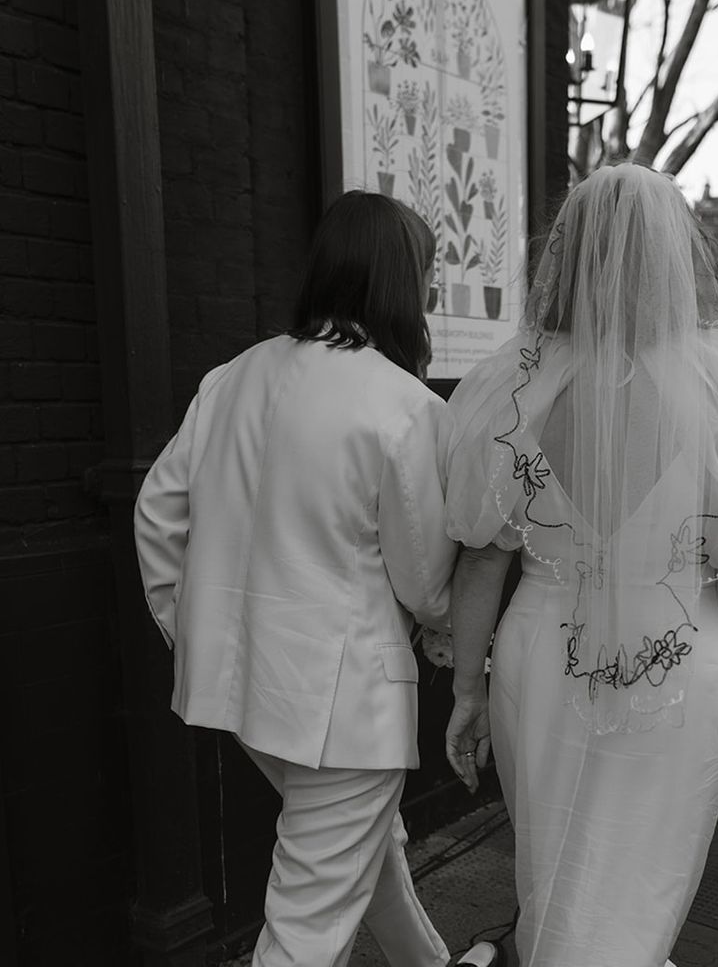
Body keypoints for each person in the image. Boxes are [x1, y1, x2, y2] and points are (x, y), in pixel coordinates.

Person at [441, 164, 718, 967]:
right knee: (638, 882)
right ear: (676, 259)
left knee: (554, 870)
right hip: (677, 659)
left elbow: (480, 556)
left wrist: (467, 690)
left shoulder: (515, 382)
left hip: (541, 656)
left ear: (566, 255)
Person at [134, 191, 458, 967]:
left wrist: (193, 631)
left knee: (360, 852)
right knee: (306, 924)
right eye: (427, 275)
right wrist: (455, 625)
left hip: (243, 690)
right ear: (400, 281)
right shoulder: (405, 405)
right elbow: (423, 581)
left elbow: (156, 514)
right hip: (342, 704)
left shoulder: (231, 376)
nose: (432, 292)